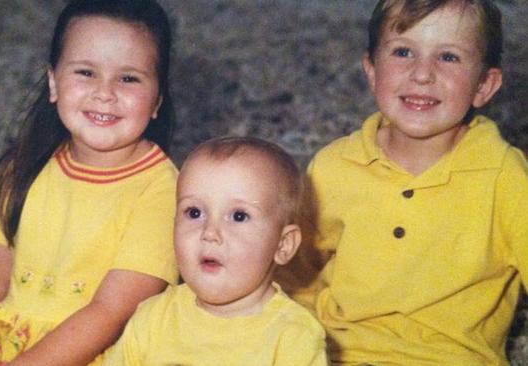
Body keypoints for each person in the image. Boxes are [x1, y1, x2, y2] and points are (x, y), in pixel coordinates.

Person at [0, 0, 179, 365]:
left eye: (129, 78)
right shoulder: (24, 166)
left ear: (156, 100)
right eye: (85, 73)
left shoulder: (163, 191)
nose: (105, 92)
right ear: (53, 83)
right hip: (11, 336)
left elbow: (110, 313)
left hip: (105, 348)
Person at [286, 0, 528, 364]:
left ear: (484, 85)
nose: (422, 74)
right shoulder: (335, 165)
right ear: (371, 70)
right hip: (337, 352)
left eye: (448, 57)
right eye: (403, 52)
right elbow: (296, 271)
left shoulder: (502, 175)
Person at [103, 136, 328, 366]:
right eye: (194, 213)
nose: (209, 232)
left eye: (238, 216)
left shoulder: (292, 336)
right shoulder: (153, 316)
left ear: (283, 245)